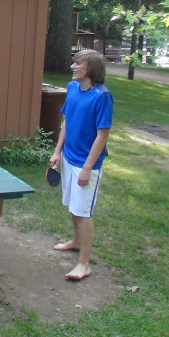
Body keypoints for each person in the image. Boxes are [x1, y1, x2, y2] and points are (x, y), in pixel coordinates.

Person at [49, 49, 113, 281]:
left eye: (78, 64)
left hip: (87, 164)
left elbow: (102, 136)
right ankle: (76, 241)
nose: (72, 67)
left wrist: (87, 167)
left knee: (83, 211)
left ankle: (84, 264)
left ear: (91, 68)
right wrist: (58, 151)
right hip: (68, 158)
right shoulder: (73, 88)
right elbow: (67, 121)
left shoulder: (102, 96)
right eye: (73, 62)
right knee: (73, 206)